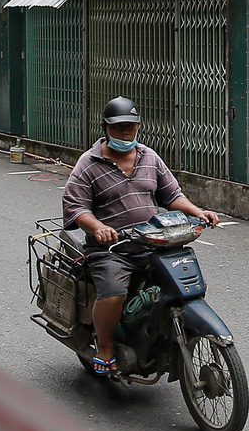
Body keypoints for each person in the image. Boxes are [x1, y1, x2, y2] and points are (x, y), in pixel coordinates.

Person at [62, 97, 221, 375]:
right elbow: (76, 208)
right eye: (119, 126)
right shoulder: (88, 163)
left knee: (193, 284)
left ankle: (165, 334)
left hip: (153, 243)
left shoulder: (149, 157)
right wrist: (98, 227)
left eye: (131, 126)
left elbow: (172, 196)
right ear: (104, 127)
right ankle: (106, 347)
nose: (126, 132)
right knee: (113, 292)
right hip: (113, 250)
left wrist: (199, 211)